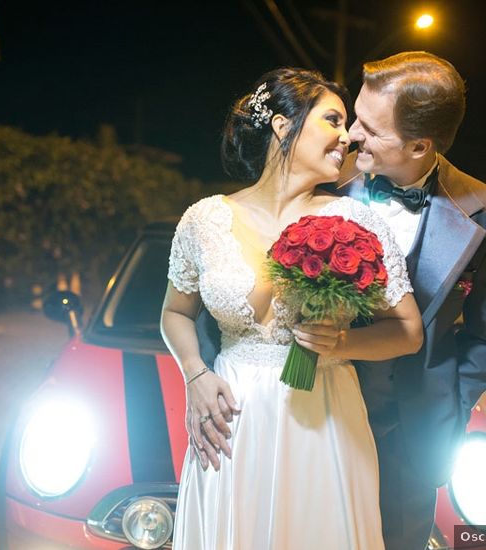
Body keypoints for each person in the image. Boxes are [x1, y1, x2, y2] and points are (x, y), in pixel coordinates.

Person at [160, 68, 423, 550]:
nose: (347, 137)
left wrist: (344, 342)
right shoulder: (204, 219)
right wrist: (194, 374)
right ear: (283, 126)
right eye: (332, 120)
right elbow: (175, 313)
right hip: (230, 421)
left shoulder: (352, 221)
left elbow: (408, 331)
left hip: (321, 413)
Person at [329, 51, 486, 549]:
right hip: (320, 414)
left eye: (369, 127)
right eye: (353, 119)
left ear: (419, 145)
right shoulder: (324, 183)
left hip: (413, 434)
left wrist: (451, 411)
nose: (350, 136)